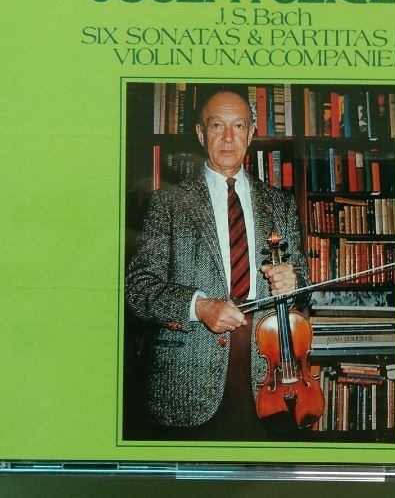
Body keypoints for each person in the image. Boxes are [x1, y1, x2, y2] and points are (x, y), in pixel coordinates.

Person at [125, 89, 311, 440]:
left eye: (238, 126)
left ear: (251, 134)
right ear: (200, 134)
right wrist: (199, 306)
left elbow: (303, 290)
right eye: (217, 126)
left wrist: (295, 283)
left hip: (268, 373)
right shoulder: (168, 202)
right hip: (188, 375)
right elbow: (138, 289)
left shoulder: (280, 203)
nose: (228, 137)